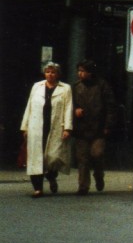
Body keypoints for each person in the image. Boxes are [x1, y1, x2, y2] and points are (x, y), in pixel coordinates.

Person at [20, 61, 73, 197]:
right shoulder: (37, 86)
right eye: (48, 72)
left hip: (55, 126)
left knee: (53, 157)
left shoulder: (65, 88)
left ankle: (51, 175)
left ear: (58, 74)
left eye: (53, 72)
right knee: (35, 158)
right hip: (36, 126)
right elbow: (29, 106)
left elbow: (68, 108)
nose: (50, 74)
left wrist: (67, 128)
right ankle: (38, 188)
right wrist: (25, 127)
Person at [71, 60, 117, 195]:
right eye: (79, 70)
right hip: (81, 128)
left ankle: (98, 174)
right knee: (82, 158)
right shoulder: (75, 87)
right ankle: (83, 186)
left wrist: (108, 125)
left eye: (83, 71)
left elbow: (110, 106)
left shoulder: (102, 85)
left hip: (99, 128)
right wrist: (75, 110)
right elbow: (68, 104)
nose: (80, 73)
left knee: (97, 154)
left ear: (90, 72)